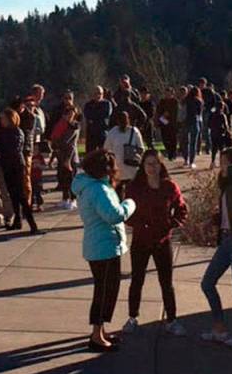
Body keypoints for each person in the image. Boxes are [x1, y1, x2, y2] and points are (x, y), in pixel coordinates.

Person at [71, 150, 135, 352]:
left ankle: (100, 330)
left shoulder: (87, 185)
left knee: (107, 289)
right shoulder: (98, 189)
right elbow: (113, 215)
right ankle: (96, 334)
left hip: (99, 245)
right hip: (104, 247)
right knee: (104, 291)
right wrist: (130, 203)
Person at [123, 151, 188, 336]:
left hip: (162, 240)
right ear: (143, 166)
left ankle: (172, 320)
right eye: (148, 164)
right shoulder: (135, 187)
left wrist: (172, 224)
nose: (152, 168)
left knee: (166, 282)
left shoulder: (169, 187)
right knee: (137, 280)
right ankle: (132, 317)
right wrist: (137, 224)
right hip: (141, 241)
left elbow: (182, 209)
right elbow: (126, 211)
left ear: (161, 166)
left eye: (155, 164)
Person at [199, 148, 232, 347]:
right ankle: (219, 327)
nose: (220, 167)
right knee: (208, 282)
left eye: (224, 162)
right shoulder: (226, 185)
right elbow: (228, 212)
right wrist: (213, 220)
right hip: (226, 239)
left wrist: (231, 169)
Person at [0, 108, 39, 233]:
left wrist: (0, 151)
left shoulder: (17, 132)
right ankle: (17, 221)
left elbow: (14, 149)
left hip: (16, 166)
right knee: (13, 195)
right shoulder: (3, 132)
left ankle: (32, 224)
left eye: (3, 118)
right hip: (7, 166)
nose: (1, 120)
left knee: (21, 195)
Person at [50, 94, 81, 209]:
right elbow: (55, 139)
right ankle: (65, 198)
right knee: (63, 178)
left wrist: (67, 160)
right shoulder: (61, 124)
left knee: (71, 179)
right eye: (68, 115)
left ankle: (73, 199)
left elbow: (71, 144)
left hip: (70, 157)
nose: (70, 117)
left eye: (72, 115)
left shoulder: (74, 126)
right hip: (62, 155)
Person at [104, 109, 145, 192]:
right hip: (117, 170)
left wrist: (133, 154)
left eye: (125, 119)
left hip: (131, 169)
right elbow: (106, 149)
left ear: (128, 120)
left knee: (132, 192)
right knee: (118, 193)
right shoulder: (113, 132)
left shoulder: (134, 131)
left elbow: (141, 148)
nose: (123, 122)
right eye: (121, 120)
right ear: (117, 121)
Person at [83, 86, 114, 152]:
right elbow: (88, 115)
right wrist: (97, 116)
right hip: (91, 135)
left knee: (104, 156)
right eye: (95, 93)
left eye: (100, 93)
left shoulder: (107, 104)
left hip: (102, 134)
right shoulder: (88, 105)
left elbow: (105, 115)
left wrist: (94, 117)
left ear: (103, 94)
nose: (98, 95)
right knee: (90, 157)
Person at [208, 100, 232, 167]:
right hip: (221, 133)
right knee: (221, 149)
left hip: (213, 133)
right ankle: (221, 162)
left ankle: (212, 162)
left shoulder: (212, 114)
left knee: (214, 148)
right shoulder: (222, 115)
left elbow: (208, 124)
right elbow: (226, 125)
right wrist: (228, 132)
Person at [183, 86, 204, 168]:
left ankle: (185, 160)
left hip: (186, 122)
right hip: (194, 122)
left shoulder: (186, 100)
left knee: (186, 142)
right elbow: (199, 113)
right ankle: (191, 162)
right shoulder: (198, 101)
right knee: (193, 143)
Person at [156, 87, 179, 160]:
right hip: (164, 123)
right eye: (166, 93)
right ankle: (169, 152)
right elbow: (158, 112)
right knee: (165, 140)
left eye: (169, 93)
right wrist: (162, 117)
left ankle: (173, 154)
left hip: (172, 124)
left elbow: (177, 113)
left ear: (172, 93)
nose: (167, 95)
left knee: (173, 140)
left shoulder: (175, 102)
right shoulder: (162, 101)